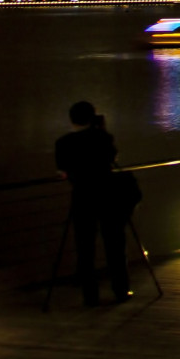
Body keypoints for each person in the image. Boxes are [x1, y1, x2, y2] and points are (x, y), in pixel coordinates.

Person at [55, 101, 131, 306]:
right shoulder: (102, 138)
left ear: (71, 118)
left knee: (85, 247)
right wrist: (102, 130)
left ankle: (90, 295)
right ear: (92, 117)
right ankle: (121, 289)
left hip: (82, 197)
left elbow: (62, 170)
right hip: (107, 196)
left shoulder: (63, 143)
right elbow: (112, 158)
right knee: (114, 243)